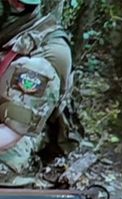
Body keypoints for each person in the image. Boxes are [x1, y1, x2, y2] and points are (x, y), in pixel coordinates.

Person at [0, 0, 72, 188]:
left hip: (19, 134)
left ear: (16, 5)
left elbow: (11, 133)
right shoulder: (7, 29)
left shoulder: (44, 56)